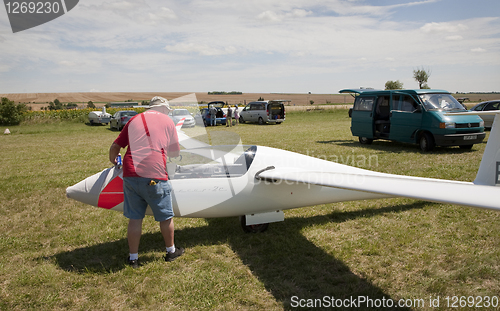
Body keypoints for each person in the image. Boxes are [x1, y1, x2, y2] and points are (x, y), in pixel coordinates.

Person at [109, 96, 184, 268]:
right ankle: (171, 251)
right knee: (165, 216)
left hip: (130, 174)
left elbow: (115, 146)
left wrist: (113, 161)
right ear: (164, 109)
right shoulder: (167, 122)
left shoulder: (134, 119)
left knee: (135, 218)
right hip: (154, 174)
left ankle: (133, 258)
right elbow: (174, 153)